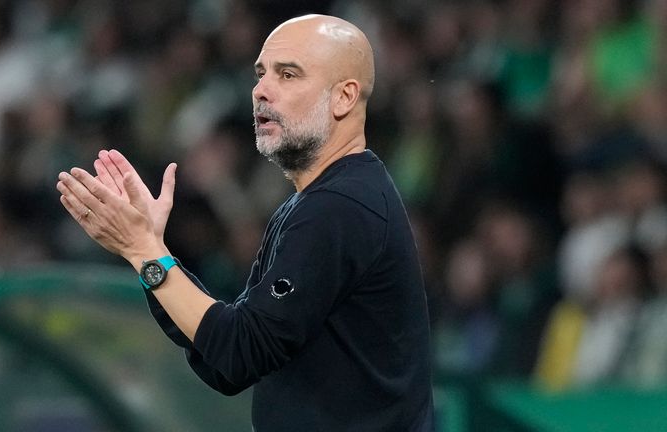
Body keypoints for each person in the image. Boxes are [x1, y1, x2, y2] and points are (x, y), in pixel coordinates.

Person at [57, 14, 434, 431]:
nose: (261, 91)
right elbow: (223, 361)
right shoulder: (315, 203)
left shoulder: (340, 207)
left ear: (344, 97)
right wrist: (149, 250)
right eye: (260, 74)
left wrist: (145, 252)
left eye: (288, 74)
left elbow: (239, 352)